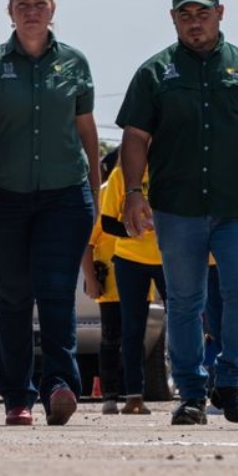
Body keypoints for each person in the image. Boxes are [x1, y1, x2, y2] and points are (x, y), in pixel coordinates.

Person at [118, 0, 238, 426]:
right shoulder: (154, 73)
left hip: (237, 209)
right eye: (185, 15)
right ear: (173, 19)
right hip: (176, 209)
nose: (194, 22)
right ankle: (192, 394)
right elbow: (135, 137)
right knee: (184, 301)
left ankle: (233, 383)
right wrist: (134, 193)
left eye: (203, 13)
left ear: (220, 13)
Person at [0, 0, 101, 427]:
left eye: (39, 2)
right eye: (22, 2)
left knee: (57, 291)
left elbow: (87, 131)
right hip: (4, 198)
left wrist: (94, 193)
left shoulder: (75, 63)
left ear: (53, 8)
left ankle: (60, 385)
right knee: (16, 295)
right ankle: (17, 397)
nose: (31, 9)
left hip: (64, 196)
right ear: (10, 11)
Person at [98, 155, 167, 416]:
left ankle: (194, 390)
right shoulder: (121, 175)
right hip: (130, 260)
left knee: (185, 320)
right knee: (132, 329)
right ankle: (134, 396)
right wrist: (134, 229)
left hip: (167, 258)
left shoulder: (168, 168)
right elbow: (106, 223)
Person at [84, 150, 127, 414]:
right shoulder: (104, 194)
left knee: (134, 339)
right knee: (111, 339)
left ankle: (135, 392)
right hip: (110, 283)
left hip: (141, 282)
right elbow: (86, 244)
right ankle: (110, 395)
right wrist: (91, 279)